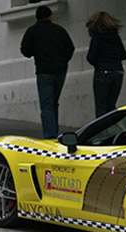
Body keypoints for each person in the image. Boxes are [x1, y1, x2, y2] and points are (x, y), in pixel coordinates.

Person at [20, 6, 75, 139]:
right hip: (60, 70)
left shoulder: (32, 31)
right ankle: (54, 130)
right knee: (54, 102)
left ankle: (50, 135)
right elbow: (70, 48)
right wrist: (63, 61)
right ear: (50, 16)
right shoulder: (59, 30)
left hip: (43, 70)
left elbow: (25, 51)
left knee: (46, 104)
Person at [86, 12, 126, 118]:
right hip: (118, 71)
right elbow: (124, 55)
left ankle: (102, 131)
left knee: (101, 106)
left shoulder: (97, 37)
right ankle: (121, 128)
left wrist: (99, 63)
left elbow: (91, 56)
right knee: (111, 105)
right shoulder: (116, 37)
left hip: (102, 71)